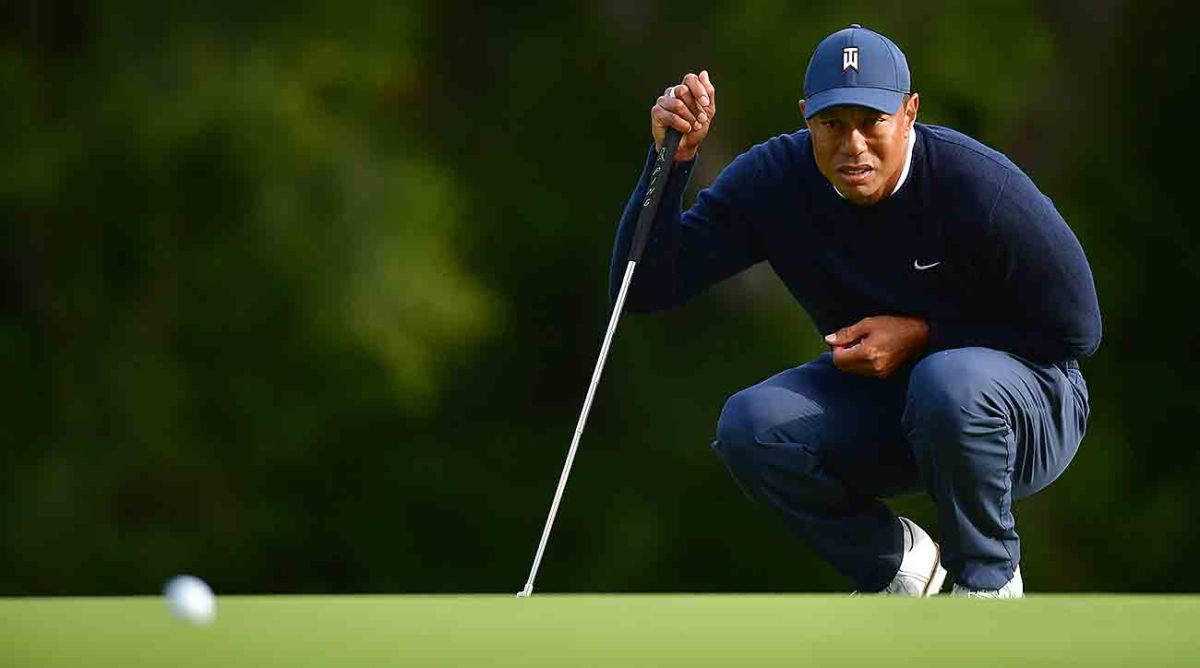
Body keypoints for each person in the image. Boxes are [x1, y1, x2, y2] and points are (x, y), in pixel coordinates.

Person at [610, 24, 1101, 597]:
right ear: (806, 119)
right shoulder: (775, 181)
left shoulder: (977, 184)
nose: (854, 145)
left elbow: (1077, 329)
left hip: (1029, 408)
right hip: (892, 410)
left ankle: (988, 582)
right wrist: (671, 162)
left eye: (873, 122)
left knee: (949, 381)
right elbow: (643, 288)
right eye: (832, 125)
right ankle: (898, 567)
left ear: (910, 112)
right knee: (753, 428)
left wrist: (924, 334)